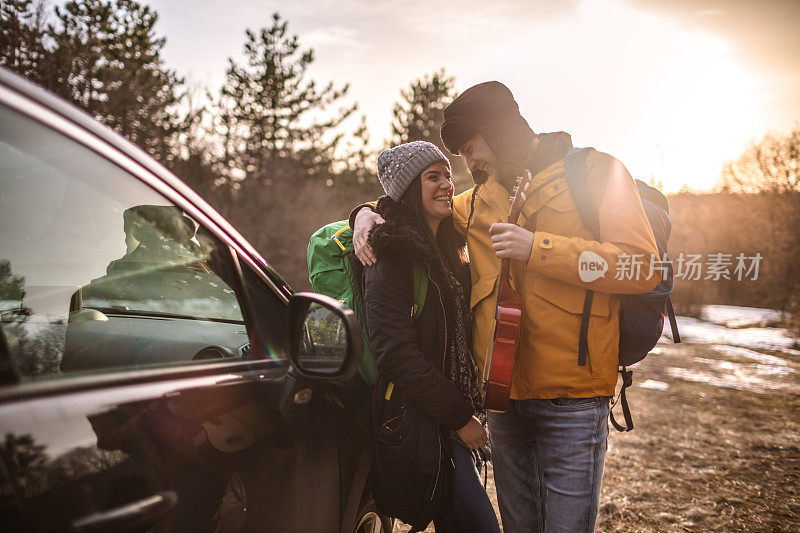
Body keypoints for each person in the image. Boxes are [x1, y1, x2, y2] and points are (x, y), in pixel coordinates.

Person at [352, 82, 660, 532]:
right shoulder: (476, 200)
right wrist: (364, 213)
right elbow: (412, 210)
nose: (468, 163)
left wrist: (540, 248)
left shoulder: (598, 172)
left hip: (573, 402)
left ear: (500, 132)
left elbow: (642, 268)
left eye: (472, 148)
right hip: (503, 405)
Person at [363, 140, 500, 532]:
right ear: (409, 189)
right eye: (432, 177)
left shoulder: (449, 249)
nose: (447, 184)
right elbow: (394, 353)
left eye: (448, 175)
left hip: (450, 420)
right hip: (426, 425)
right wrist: (460, 418)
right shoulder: (391, 254)